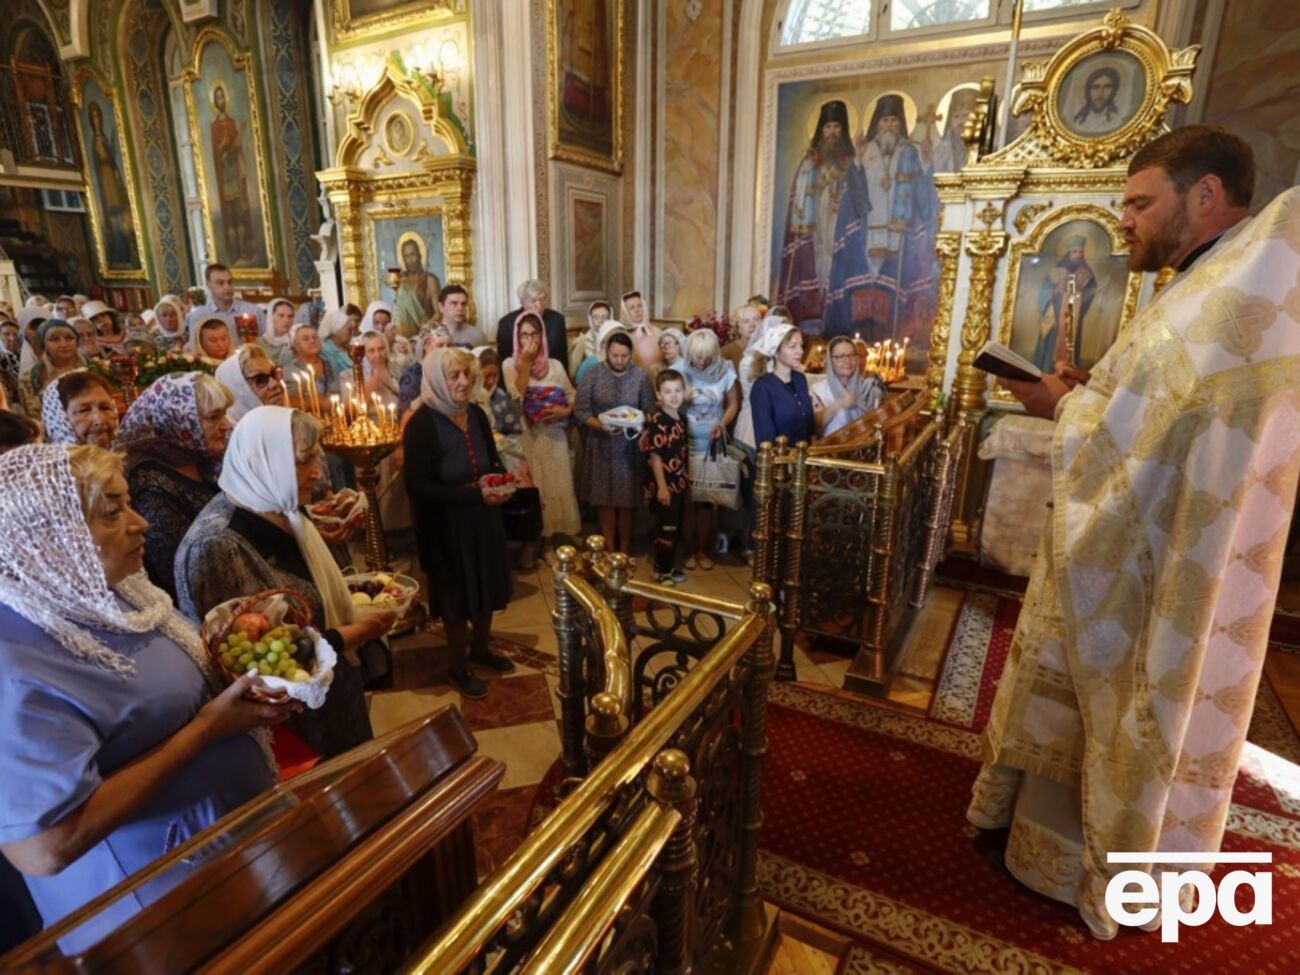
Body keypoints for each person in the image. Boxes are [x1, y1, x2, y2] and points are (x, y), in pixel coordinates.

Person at [967, 125, 1297, 939]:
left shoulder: (1224, 295)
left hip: (1156, 571)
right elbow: (1154, 413)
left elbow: (1155, 436)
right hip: (1149, 543)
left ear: (1206, 196)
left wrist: (1066, 407)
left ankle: (1096, 859)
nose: (1126, 219)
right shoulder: (1209, 285)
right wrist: (1096, 391)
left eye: (1140, 202)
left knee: (1126, 700)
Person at [0, 444, 288, 934]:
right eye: (112, 512)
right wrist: (204, 732)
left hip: (233, 855)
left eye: (128, 503)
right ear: (43, 538)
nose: (141, 524)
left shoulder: (107, 590)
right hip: (155, 912)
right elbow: (43, 849)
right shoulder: (16, 661)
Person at [175, 407, 393, 756]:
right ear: (264, 461)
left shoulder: (279, 505)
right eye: (303, 462)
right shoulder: (217, 545)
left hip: (330, 697)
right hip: (290, 726)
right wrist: (353, 634)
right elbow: (250, 666)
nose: (317, 473)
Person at [404, 347, 516, 700]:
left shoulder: (476, 414)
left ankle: (480, 649)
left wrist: (500, 480)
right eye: (454, 376)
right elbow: (417, 487)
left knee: (485, 585)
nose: (465, 382)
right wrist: (473, 494)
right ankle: (458, 666)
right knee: (455, 596)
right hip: (445, 527)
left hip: (484, 518)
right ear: (438, 379)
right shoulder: (422, 424)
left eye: (467, 374)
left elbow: (491, 460)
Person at [826, 94, 937, 339]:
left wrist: (927, 163)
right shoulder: (866, 151)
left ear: (901, 124)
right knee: (867, 284)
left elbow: (923, 195)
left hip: (898, 233)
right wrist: (855, 160)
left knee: (893, 285)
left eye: (894, 121)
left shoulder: (910, 152)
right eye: (885, 120)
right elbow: (853, 192)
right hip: (868, 234)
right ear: (877, 123)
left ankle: (892, 337)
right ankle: (863, 334)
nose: (889, 125)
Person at [116, 374, 233, 601]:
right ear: (178, 421)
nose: (226, 424)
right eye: (213, 417)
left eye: (224, 414)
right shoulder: (152, 489)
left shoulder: (206, 461)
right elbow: (188, 575)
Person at [777, 100, 865, 325]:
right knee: (815, 263)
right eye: (828, 127)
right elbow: (798, 199)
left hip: (837, 223)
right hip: (814, 225)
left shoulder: (850, 163)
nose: (832, 132)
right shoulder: (808, 163)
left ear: (844, 130)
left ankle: (833, 315)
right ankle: (812, 318)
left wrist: (845, 201)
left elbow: (860, 202)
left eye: (837, 127)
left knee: (833, 263)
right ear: (820, 130)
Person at [575, 328, 656, 554]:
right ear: (606, 353)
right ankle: (610, 547)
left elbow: (649, 410)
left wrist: (638, 421)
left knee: (627, 500)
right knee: (606, 500)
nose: (619, 360)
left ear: (631, 354)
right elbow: (581, 410)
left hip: (629, 447)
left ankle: (624, 547)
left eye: (624, 356)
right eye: (614, 355)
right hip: (601, 444)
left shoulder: (640, 376)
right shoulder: (593, 373)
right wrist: (601, 425)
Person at [503, 312, 581, 546]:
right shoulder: (510, 364)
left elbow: (572, 395)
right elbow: (515, 397)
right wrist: (526, 362)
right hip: (529, 436)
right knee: (538, 487)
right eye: (524, 334)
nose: (529, 340)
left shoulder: (555, 365)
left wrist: (565, 411)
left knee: (560, 483)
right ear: (517, 337)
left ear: (542, 335)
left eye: (534, 334)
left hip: (555, 435)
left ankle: (560, 535)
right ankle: (538, 542)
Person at [474, 346, 541, 569]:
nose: (491, 381)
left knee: (524, 496)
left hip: (509, 455)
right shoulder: (470, 399)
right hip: (483, 459)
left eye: (494, 375)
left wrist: (499, 440)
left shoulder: (501, 397)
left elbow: (513, 431)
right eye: (486, 376)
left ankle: (529, 548)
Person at [680, 329, 740, 570]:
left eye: (705, 357)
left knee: (706, 500)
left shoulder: (725, 370)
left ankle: (702, 549)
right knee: (687, 500)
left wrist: (722, 424)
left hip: (711, 445)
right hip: (686, 443)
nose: (700, 362)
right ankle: (687, 549)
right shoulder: (681, 370)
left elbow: (733, 403)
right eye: (696, 357)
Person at [641, 369, 690, 585]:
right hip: (665, 485)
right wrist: (661, 487)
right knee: (666, 529)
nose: (674, 396)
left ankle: (668, 566)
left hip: (678, 484)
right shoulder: (659, 421)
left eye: (678, 390)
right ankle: (661, 570)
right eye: (668, 391)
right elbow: (656, 456)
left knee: (673, 527)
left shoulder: (681, 418)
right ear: (658, 395)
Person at [1031, 235, 1100, 373]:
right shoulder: (1057, 269)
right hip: (1055, 312)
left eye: (1081, 252)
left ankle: (1066, 371)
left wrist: (1087, 293)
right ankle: (1046, 369)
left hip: (1072, 313)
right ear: (1068, 252)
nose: (1078, 255)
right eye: (1075, 252)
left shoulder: (1086, 273)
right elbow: (1045, 290)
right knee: (1052, 341)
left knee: (1069, 341)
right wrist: (1052, 293)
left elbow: (1088, 293)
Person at [749, 323, 813, 448]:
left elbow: (808, 426)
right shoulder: (762, 387)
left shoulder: (800, 379)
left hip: (803, 460)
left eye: (801, 345)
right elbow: (765, 440)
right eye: (792, 346)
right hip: (780, 463)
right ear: (776, 352)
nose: (800, 351)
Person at [811, 336, 885, 437]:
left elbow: (877, 425)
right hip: (831, 448)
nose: (848, 361)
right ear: (830, 360)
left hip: (861, 446)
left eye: (852, 355)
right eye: (841, 357)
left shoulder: (868, 387)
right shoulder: (817, 390)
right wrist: (838, 403)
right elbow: (815, 427)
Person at [495, 279, 570, 375]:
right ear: (522, 302)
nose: (539, 305)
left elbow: (563, 358)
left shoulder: (557, 320)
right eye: (533, 300)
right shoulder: (506, 324)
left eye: (542, 299)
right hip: (518, 377)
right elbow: (503, 364)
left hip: (552, 376)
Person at [185, 264, 262, 345]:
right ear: (208, 285)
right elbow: (195, 347)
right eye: (220, 283)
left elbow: (266, 344)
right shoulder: (199, 316)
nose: (227, 287)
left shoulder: (254, 311)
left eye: (230, 282)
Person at [22, 320, 87, 415]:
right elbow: (33, 414)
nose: (63, 344)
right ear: (44, 345)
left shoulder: (93, 367)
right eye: (54, 339)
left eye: (69, 338)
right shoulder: (32, 376)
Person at [40, 371, 119, 448]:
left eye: (105, 408)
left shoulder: (126, 457)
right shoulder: (51, 461)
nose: (99, 420)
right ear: (58, 420)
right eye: (83, 410)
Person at [215, 345, 286, 424]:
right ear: (237, 390)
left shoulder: (287, 423)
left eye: (274, 374)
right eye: (260, 379)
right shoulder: (231, 434)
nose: (274, 384)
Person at [392, 238, 442, 336]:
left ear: (419, 255)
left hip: (425, 334)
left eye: (413, 254)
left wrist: (425, 328)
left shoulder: (430, 280)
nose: (410, 260)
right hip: (403, 334)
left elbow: (439, 313)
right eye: (406, 256)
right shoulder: (401, 281)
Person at [570, 300, 613, 384]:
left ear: (610, 318)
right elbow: (574, 374)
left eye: (604, 317)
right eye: (596, 317)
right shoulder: (582, 342)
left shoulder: (618, 339)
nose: (600, 321)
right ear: (590, 319)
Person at [1071, 66, 1122, 134]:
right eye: (1095, 87)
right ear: (1088, 91)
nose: (1100, 94)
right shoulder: (1078, 120)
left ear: (1113, 91)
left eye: (1107, 87)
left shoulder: (1117, 119)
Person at [620, 290, 661, 372]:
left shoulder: (658, 332)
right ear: (625, 312)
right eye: (632, 308)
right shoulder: (621, 336)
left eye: (639, 305)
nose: (637, 310)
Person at [722, 303, 762, 372]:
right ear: (738, 328)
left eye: (756, 319)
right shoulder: (726, 352)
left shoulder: (767, 349)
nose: (752, 325)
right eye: (746, 321)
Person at [317, 308, 356, 376]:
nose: (352, 333)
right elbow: (336, 374)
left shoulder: (348, 347)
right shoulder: (325, 350)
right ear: (336, 330)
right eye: (349, 330)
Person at [260, 297, 296, 366]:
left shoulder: (295, 342)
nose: (286, 320)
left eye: (290, 316)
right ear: (271, 317)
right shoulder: (258, 343)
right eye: (281, 315)